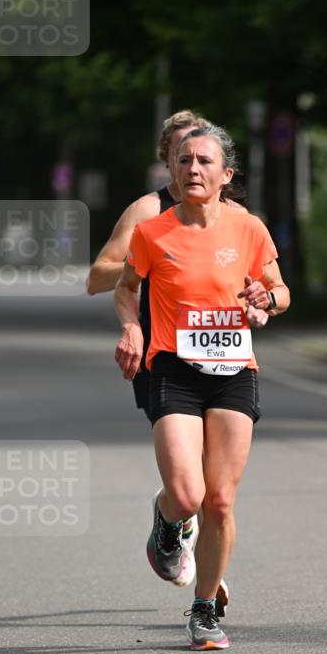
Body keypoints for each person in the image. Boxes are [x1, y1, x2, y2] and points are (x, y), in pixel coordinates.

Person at [113, 124, 290, 649]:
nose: (194, 169)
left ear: (226, 174)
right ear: (172, 171)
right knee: (187, 495)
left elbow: (280, 292)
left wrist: (266, 302)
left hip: (235, 370)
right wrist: (131, 325)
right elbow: (126, 289)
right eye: (184, 161)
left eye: (205, 162)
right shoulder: (153, 233)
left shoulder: (249, 228)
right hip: (174, 369)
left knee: (218, 503)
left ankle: (205, 609)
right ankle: (167, 522)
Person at [87, 110, 232, 601]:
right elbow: (98, 276)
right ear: (168, 160)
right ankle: (176, 530)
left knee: (219, 481)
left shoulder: (224, 208)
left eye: (200, 153)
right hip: (159, 352)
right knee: (186, 473)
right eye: (180, 153)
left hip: (222, 354)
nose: (191, 163)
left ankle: (200, 554)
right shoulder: (147, 213)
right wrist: (149, 258)